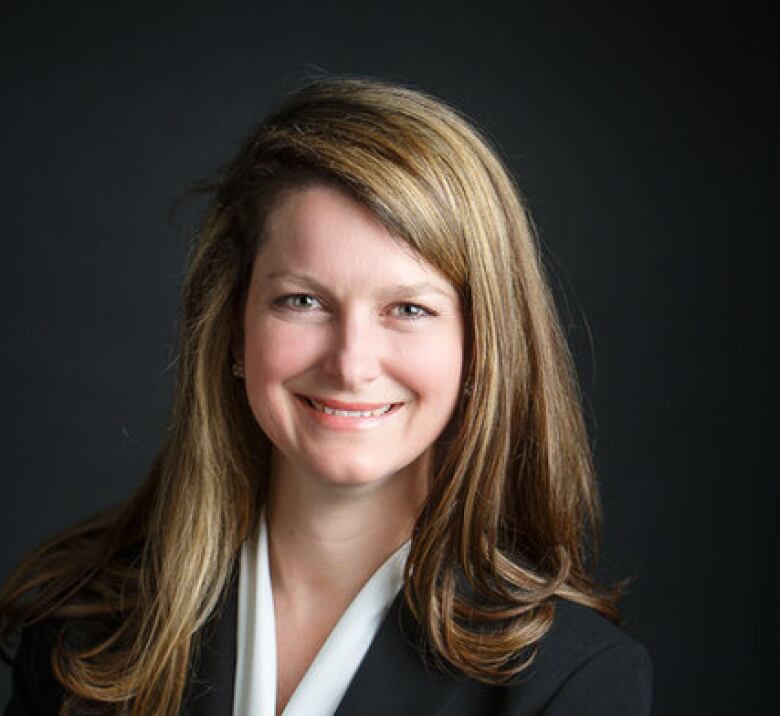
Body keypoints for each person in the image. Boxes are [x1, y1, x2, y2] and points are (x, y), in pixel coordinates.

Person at [0, 77, 652, 715]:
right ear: (233, 328)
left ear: (482, 346)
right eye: (303, 301)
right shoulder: (81, 626)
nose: (351, 364)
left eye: (408, 309)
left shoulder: (570, 683)